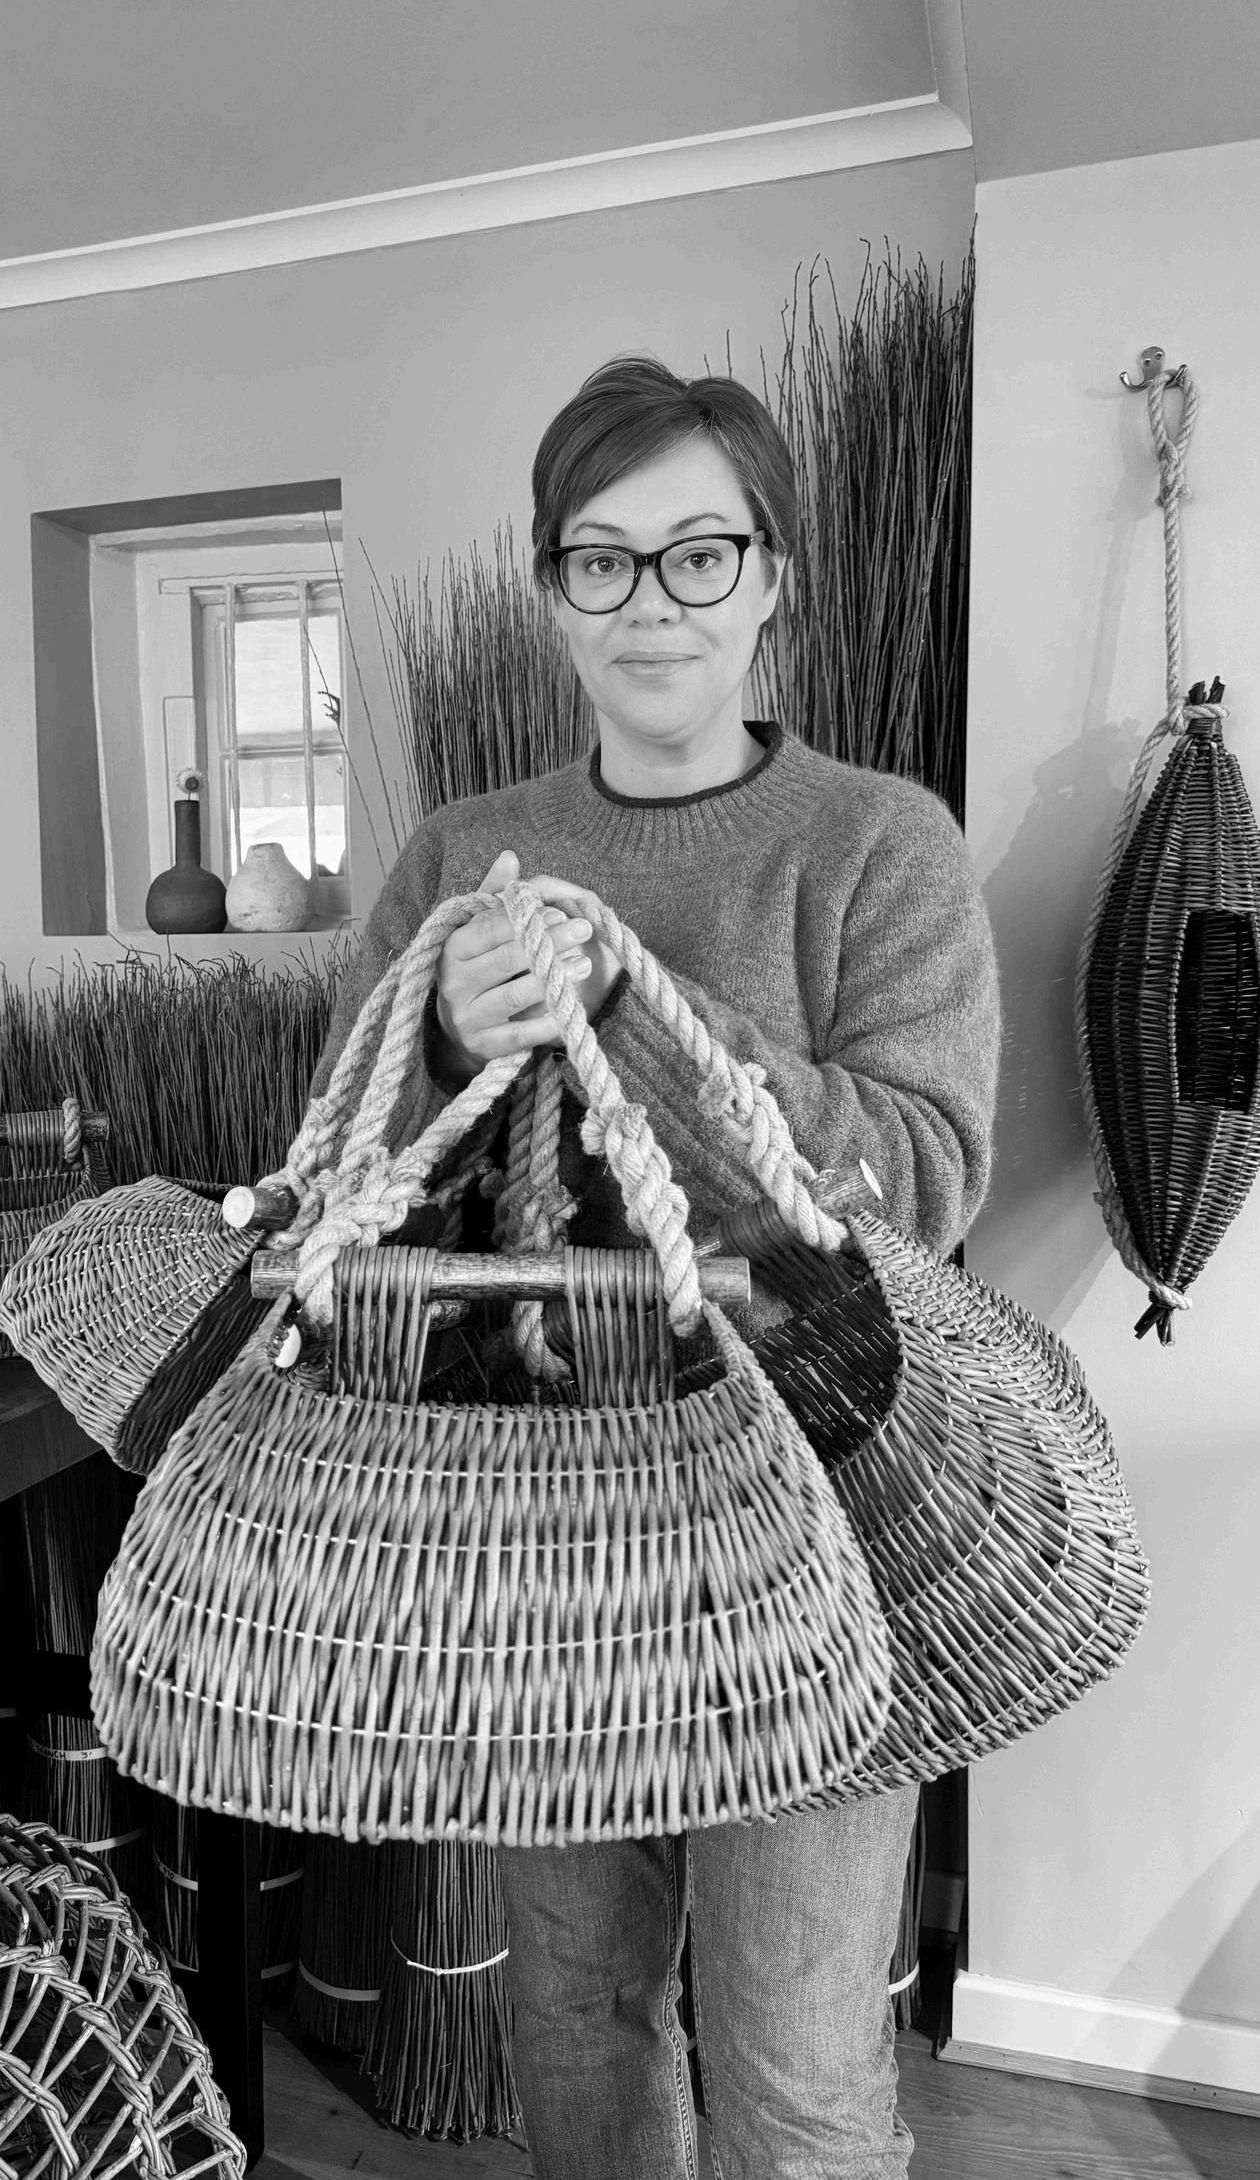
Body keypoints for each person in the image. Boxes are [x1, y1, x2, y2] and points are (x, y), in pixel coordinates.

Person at [307, 355, 1001, 2179]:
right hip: (541, 1528)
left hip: (818, 1536)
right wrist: (443, 1040)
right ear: (553, 591)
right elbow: (345, 1181)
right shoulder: (463, 857)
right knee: (575, 2014)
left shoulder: (878, 843)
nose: (650, 602)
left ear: (771, 577)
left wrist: (648, 1009)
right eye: (600, 559)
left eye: (698, 552)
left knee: (795, 2064)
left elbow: (924, 1180)